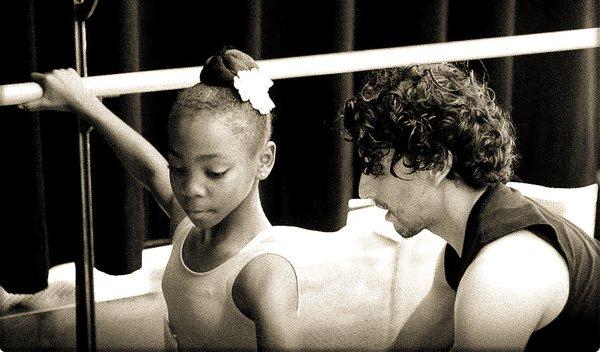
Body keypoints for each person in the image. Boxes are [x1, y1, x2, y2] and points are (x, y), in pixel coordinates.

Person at [23, 49, 301, 351]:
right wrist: (83, 102)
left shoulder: (266, 274)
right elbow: (151, 169)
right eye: (178, 169)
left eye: (215, 172)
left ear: (264, 160)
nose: (191, 188)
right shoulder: (187, 230)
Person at [343, 63, 600, 352]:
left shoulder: (501, 272)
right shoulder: (464, 246)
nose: (364, 189)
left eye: (376, 167)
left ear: (437, 164)